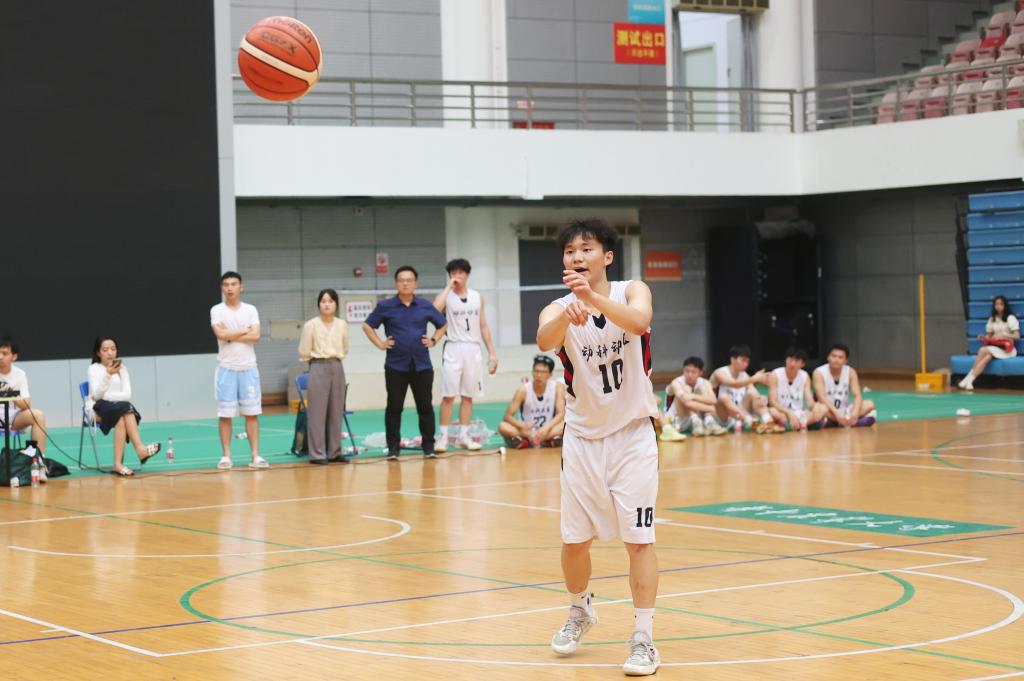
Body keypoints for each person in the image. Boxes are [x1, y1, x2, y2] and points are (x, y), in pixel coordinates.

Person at [537, 219, 662, 676]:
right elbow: (545, 340)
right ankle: (580, 608)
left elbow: (640, 321)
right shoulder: (558, 308)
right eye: (570, 251)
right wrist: (568, 315)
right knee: (574, 543)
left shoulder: (632, 290)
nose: (576, 256)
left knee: (639, 541)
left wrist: (593, 299)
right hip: (583, 441)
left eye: (586, 248)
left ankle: (644, 638)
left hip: (632, 436)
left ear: (607, 256)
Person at [363, 266, 448, 460]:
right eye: (401, 280)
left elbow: (442, 324)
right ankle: (393, 448)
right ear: (396, 284)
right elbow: (367, 325)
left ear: (415, 283)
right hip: (396, 366)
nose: (405, 283)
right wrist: (380, 344)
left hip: (422, 366)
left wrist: (434, 340)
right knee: (394, 408)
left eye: (409, 280)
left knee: (425, 408)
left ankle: (429, 447)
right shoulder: (386, 306)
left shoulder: (425, 306)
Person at [432, 258, 499, 452]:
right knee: (448, 395)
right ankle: (443, 438)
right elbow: (434, 309)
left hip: (473, 348)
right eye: (453, 273)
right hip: (453, 347)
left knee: (468, 396)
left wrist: (491, 352)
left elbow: (483, 325)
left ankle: (463, 436)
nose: (457, 276)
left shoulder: (477, 297)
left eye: (460, 272)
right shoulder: (446, 297)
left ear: (467, 275)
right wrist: (448, 287)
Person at [210, 271, 267, 470]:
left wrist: (231, 334)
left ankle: (255, 455)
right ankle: (226, 456)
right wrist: (244, 330)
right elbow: (220, 334)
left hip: (248, 369)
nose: (230, 288)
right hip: (226, 368)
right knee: (225, 415)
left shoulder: (250, 310)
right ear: (222, 288)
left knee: (252, 414)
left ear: (241, 287)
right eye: (226, 284)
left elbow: (256, 335)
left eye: (234, 284)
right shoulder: (217, 310)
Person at [87, 337, 161, 476]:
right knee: (124, 410)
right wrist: (108, 375)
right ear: (98, 353)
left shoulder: (122, 369)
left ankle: (118, 464)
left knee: (121, 415)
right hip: (96, 409)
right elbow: (97, 396)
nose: (110, 353)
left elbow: (127, 395)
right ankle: (140, 450)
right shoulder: (93, 369)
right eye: (105, 350)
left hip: (118, 408)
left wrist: (108, 397)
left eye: (113, 349)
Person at [298, 288, 350, 464]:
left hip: (337, 365)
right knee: (317, 413)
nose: (327, 304)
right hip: (317, 365)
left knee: (336, 411)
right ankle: (317, 454)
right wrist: (315, 365)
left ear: (336, 304)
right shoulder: (311, 325)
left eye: (330, 301)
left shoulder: (342, 324)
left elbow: (345, 347)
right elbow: (304, 350)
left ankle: (334, 451)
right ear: (319, 304)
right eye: (323, 301)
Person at [497, 354, 565, 449]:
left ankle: (526, 441)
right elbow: (507, 417)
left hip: (547, 430)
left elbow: (561, 414)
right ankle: (545, 440)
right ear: (532, 372)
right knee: (502, 426)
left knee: (566, 424)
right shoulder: (523, 390)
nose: (539, 375)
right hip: (527, 431)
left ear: (550, 374)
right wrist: (522, 425)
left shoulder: (557, 387)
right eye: (536, 371)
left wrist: (546, 428)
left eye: (543, 372)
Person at [710, 345, 782, 434]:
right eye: (743, 360)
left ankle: (768, 422)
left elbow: (754, 393)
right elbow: (734, 384)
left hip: (741, 414)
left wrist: (761, 399)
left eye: (747, 361)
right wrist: (754, 378)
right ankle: (753, 422)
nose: (746, 364)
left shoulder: (744, 375)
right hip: (723, 415)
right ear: (733, 359)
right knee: (724, 397)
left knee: (753, 394)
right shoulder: (719, 373)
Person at [958, 295, 1020, 390]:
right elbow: (989, 336)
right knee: (987, 357)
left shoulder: (1010, 318)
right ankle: (970, 381)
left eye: (1001, 304)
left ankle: (967, 378)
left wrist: (1005, 335)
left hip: (1007, 349)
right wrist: (983, 337)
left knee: (982, 350)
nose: (998, 306)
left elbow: (1017, 336)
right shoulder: (992, 319)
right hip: (996, 347)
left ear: (1005, 306)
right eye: (996, 304)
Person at [0, 336, 47, 455]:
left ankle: (38, 459)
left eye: (4, 353)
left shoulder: (20, 374)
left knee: (38, 415)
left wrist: (12, 394)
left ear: (14, 356)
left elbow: (27, 404)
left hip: (13, 417)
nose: (0, 357)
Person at [660, 356, 727, 440]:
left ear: (700, 373)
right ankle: (696, 420)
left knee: (702, 389)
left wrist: (693, 396)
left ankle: (709, 421)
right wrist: (711, 409)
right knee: (686, 389)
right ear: (683, 370)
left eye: (693, 372)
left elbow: (713, 400)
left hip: (699, 418)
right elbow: (685, 400)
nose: (689, 374)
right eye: (687, 371)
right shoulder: (676, 382)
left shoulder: (705, 382)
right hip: (678, 419)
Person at [812, 343, 877, 427]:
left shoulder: (850, 372)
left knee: (869, 404)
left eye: (840, 357)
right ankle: (851, 422)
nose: (836, 359)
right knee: (818, 408)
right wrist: (837, 414)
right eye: (834, 356)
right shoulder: (819, 372)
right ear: (828, 357)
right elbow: (821, 398)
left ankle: (839, 422)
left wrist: (855, 412)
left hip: (845, 410)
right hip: (828, 410)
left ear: (846, 360)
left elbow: (857, 395)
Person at [768, 347, 828, 431]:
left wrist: (814, 407)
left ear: (802, 364)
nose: (792, 364)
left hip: (799, 413)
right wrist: (789, 413)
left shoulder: (805, 376)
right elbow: (772, 402)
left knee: (823, 408)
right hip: (782, 412)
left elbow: (809, 399)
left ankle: (792, 425)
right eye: (790, 360)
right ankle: (804, 424)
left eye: (796, 361)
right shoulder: (775, 374)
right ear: (786, 360)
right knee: (772, 411)